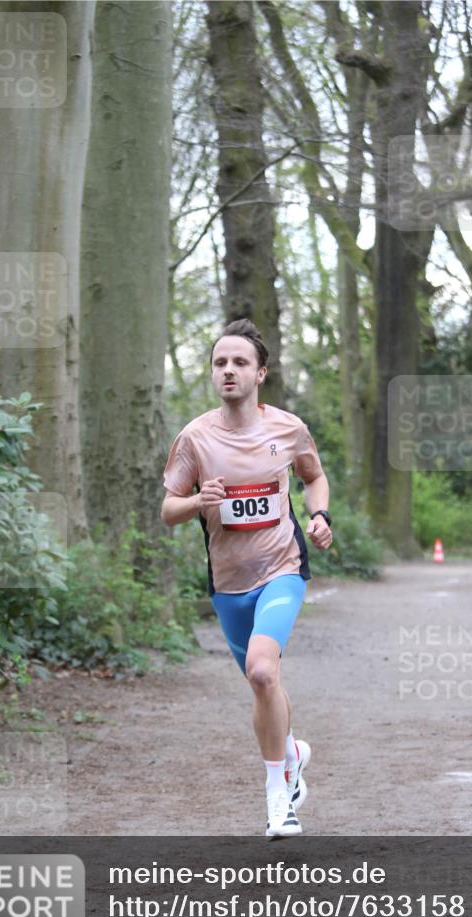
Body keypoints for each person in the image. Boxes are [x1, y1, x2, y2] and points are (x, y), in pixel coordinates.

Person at [161, 319, 332, 839]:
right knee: (263, 687)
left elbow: (314, 476)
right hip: (228, 583)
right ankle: (293, 752)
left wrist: (321, 517)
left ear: (260, 373)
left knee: (263, 672)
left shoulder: (287, 428)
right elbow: (169, 509)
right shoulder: (194, 437)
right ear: (212, 374)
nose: (228, 370)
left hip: (282, 566)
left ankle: (279, 800)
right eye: (219, 363)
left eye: (239, 362)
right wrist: (198, 501)